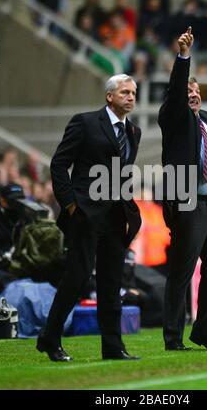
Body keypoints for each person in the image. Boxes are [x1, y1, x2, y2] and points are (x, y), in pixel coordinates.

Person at [36, 74, 142, 361]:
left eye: (133, 92)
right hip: (86, 213)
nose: (131, 97)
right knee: (78, 277)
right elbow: (59, 164)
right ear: (110, 96)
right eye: (125, 92)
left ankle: (113, 346)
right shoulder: (84, 122)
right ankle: (50, 337)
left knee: (111, 282)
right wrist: (70, 205)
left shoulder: (134, 132)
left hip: (116, 216)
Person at [158, 27, 207, 351]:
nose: (192, 93)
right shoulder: (173, 117)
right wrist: (184, 57)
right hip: (190, 204)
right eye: (187, 89)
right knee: (182, 272)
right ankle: (173, 337)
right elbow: (175, 91)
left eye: (196, 89)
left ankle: (205, 333)